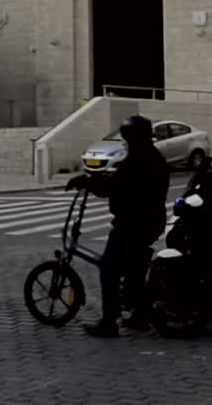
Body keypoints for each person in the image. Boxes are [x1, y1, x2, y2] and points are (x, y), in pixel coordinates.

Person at [66, 115, 169, 338]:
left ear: (131, 138)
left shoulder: (138, 160)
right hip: (150, 223)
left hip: (132, 224)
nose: (124, 142)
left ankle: (109, 323)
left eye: (125, 138)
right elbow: (119, 183)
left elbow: (115, 187)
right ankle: (140, 316)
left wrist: (87, 182)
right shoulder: (152, 156)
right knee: (134, 271)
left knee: (108, 269)